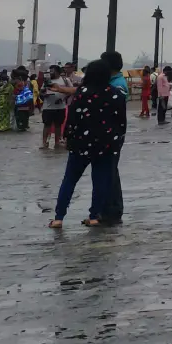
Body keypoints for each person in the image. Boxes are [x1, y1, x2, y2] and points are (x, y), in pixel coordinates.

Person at [47, 59, 127, 227]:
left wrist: (68, 137)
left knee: (69, 180)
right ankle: (94, 217)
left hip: (81, 144)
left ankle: (59, 218)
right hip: (106, 144)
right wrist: (117, 140)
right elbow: (121, 122)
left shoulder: (82, 93)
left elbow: (72, 118)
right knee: (100, 181)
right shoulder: (116, 94)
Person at [39, 64, 69, 148]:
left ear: (58, 72)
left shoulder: (65, 80)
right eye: (50, 70)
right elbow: (40, 93)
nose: (50, 72)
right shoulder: (47, 81)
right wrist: (44, 95)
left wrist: (63, 99)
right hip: (47, 107)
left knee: (58, 125)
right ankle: (44, 143)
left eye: (52, 71)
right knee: (46, 125)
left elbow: (70, 91)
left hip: (60, 107)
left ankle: (57, 142)